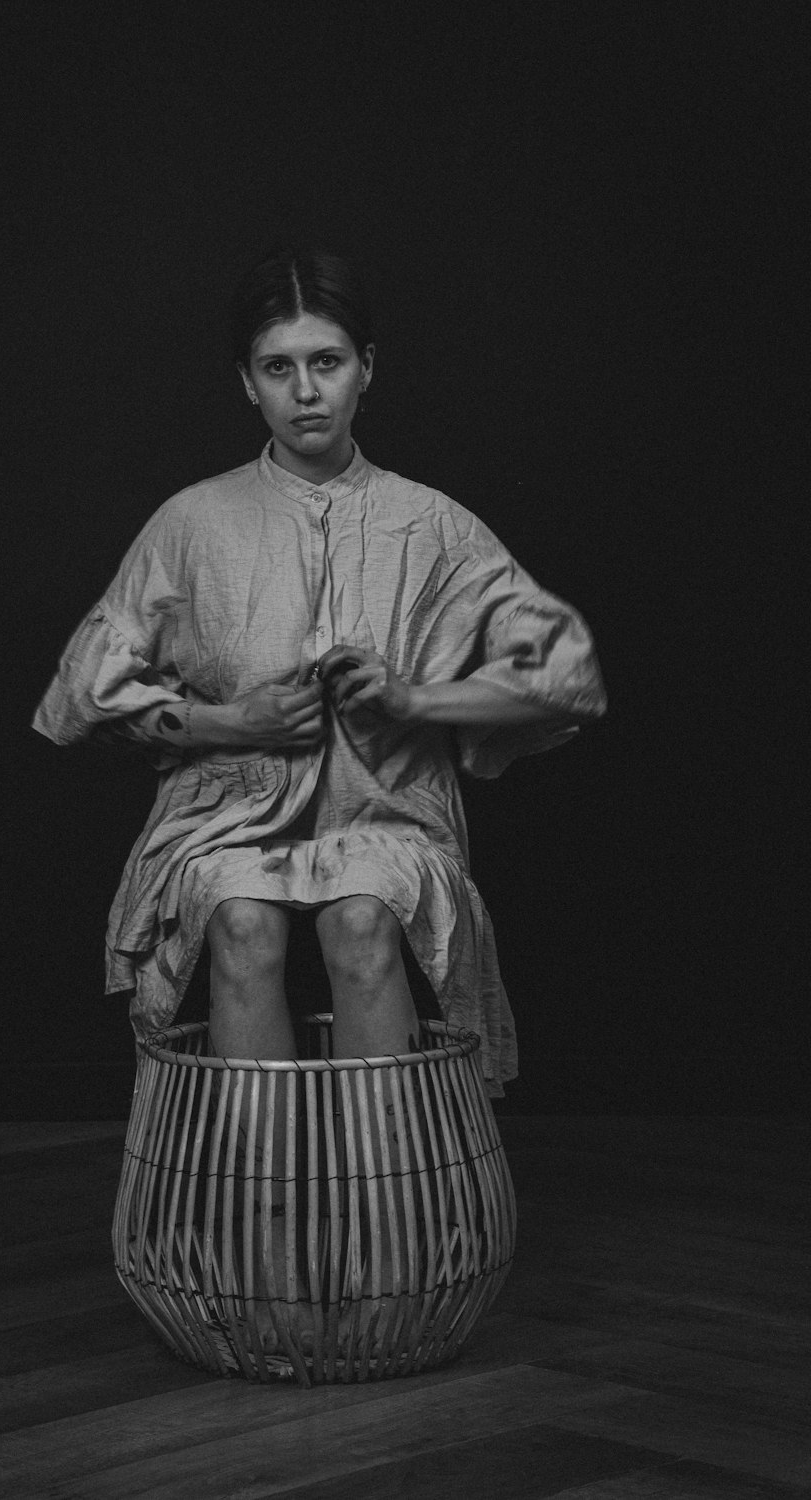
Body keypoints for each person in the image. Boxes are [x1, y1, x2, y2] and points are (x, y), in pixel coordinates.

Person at [33, 247, 607, 1098]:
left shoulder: (433, 525)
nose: (305, 391)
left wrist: (415, 698)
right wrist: (233, 724)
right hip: (228, 818)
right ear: (247, 382)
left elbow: (568, 678)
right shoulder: (192, 522)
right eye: (279, 368)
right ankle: (266, 1198)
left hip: (391, 814)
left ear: (365, 370)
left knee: (364, 921)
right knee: (240, 924)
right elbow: (83, 691)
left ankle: (378, 1198)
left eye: (326, 362)